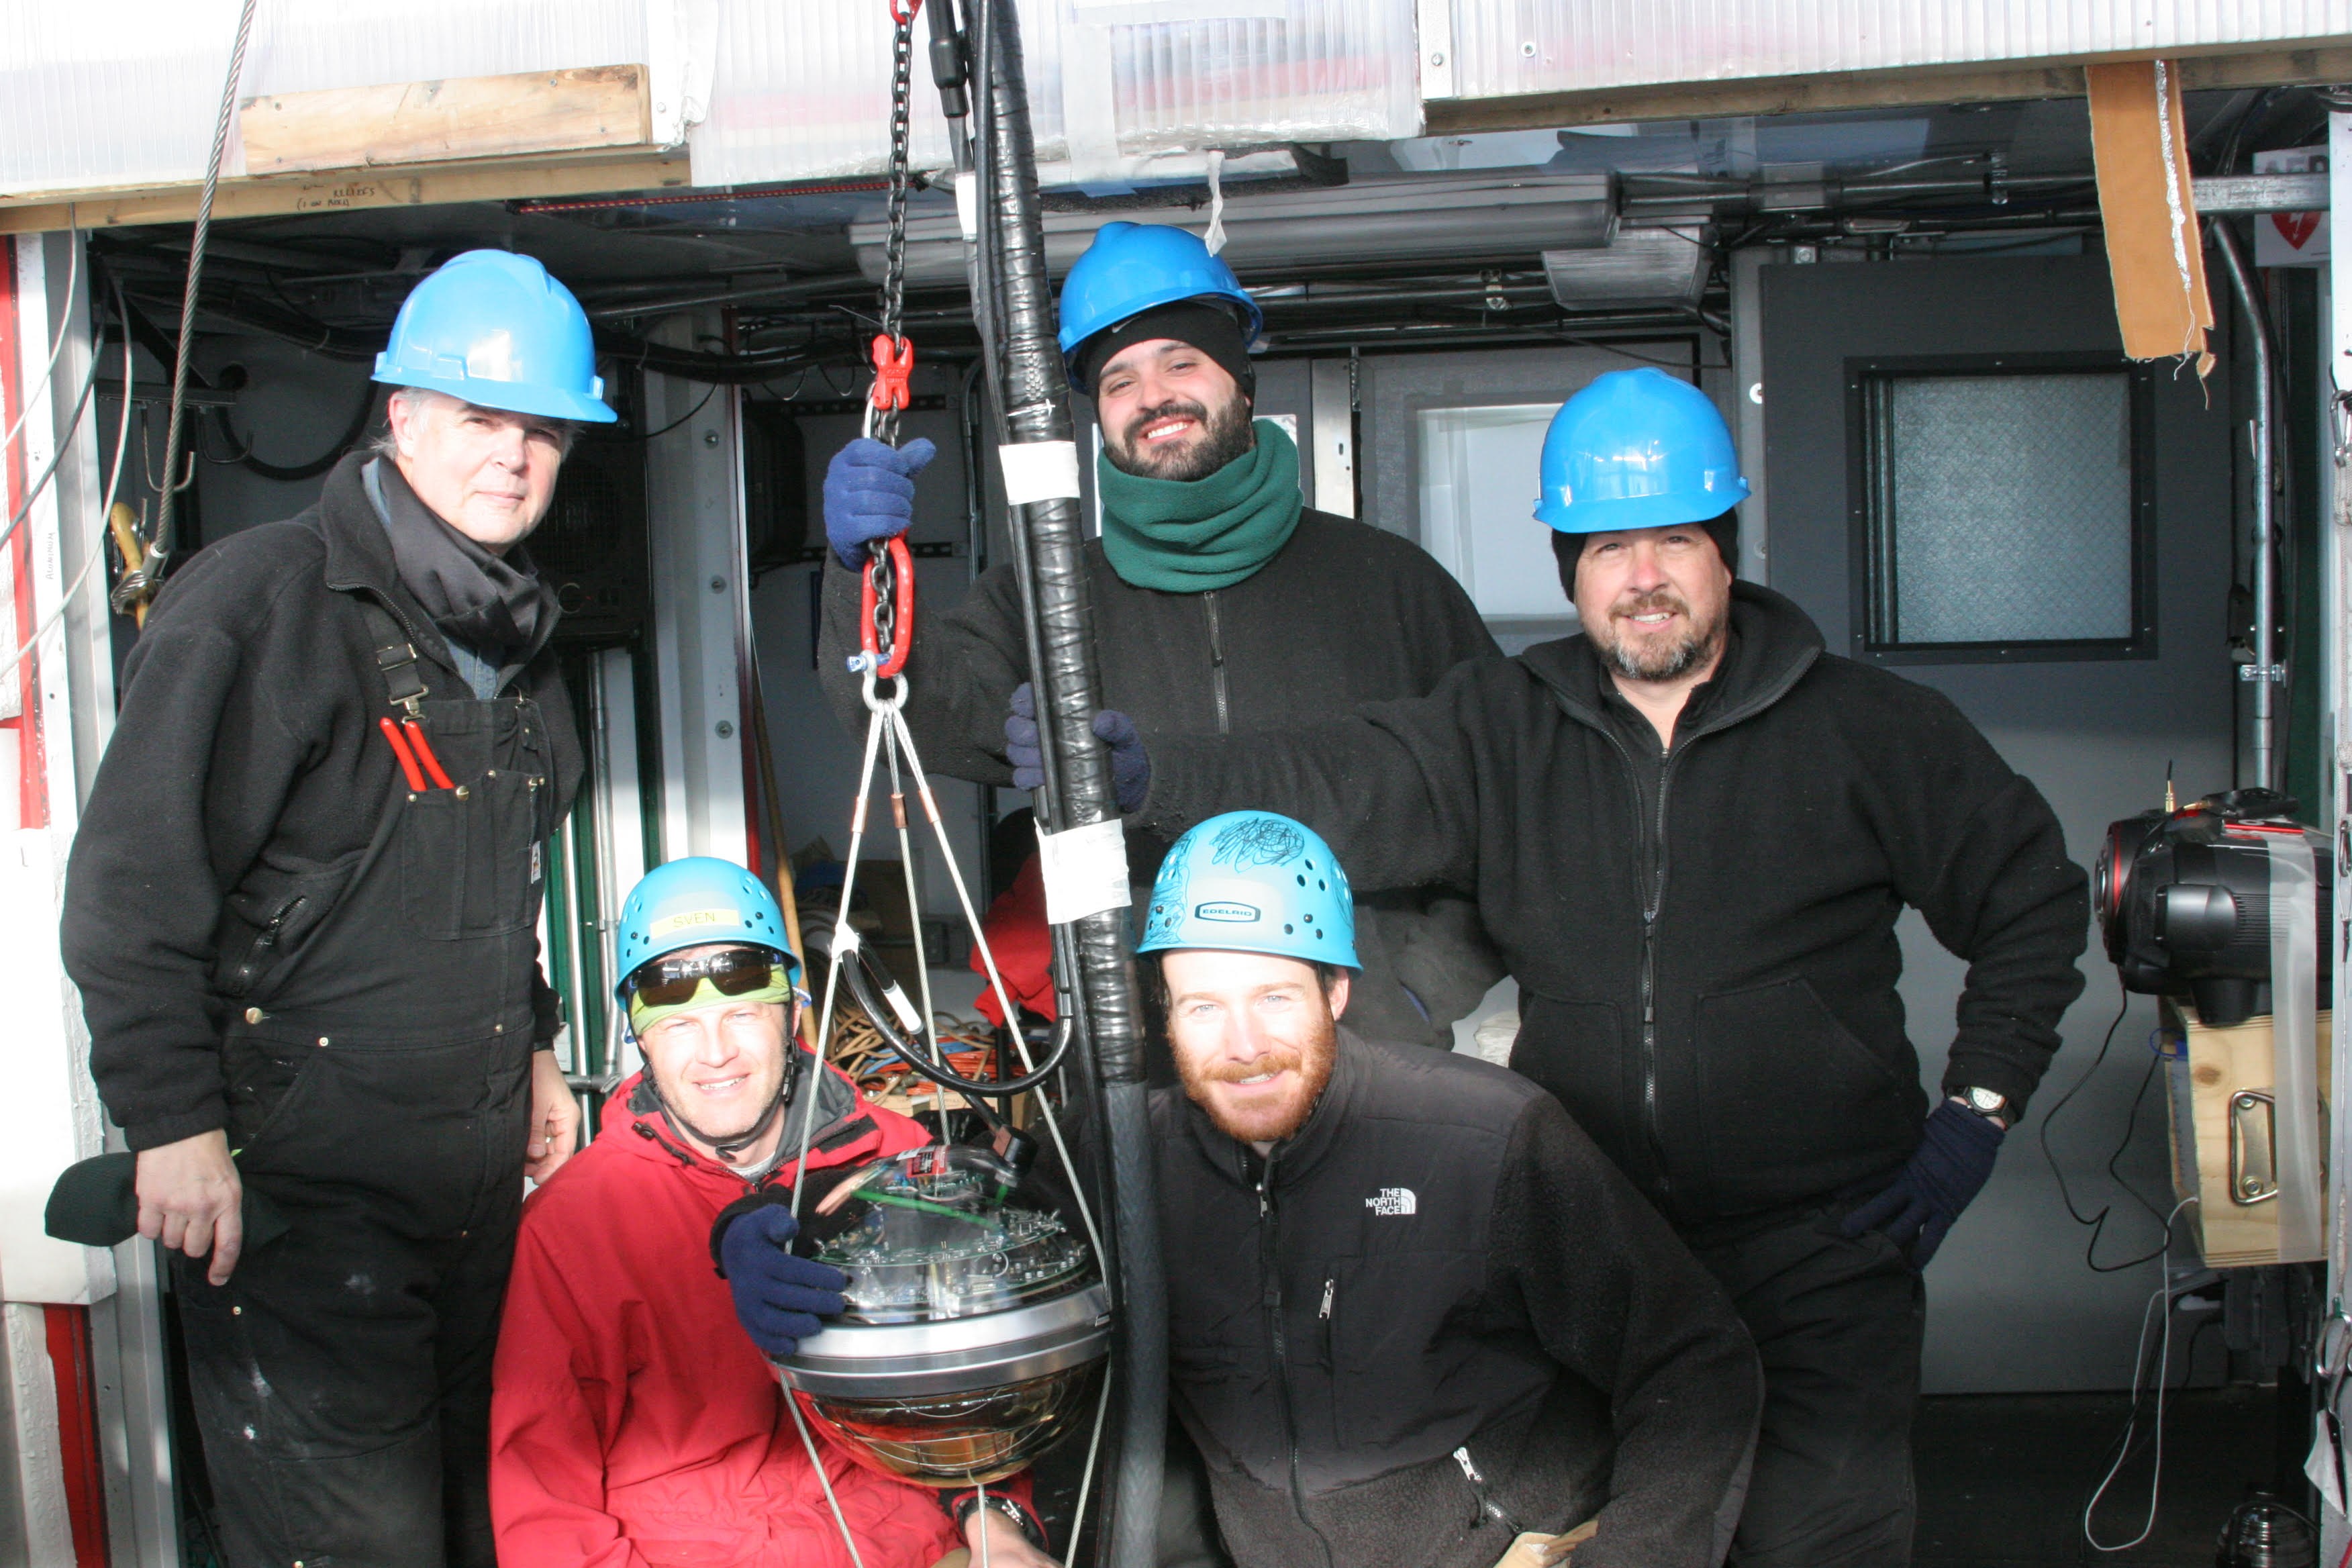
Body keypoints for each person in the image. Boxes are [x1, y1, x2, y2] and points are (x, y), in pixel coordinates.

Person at [1028, 369, 2092, 1567]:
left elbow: (2032, 903)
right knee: (1618, 1538)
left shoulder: (1867, 730)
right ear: (1567, 569)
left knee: (1811, 1539)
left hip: (1819, 1244)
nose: (1641, 577)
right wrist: (1150, 778)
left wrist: (1975, 1115)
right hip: (1590, 1242)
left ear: (1721, 551)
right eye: (1604, 547)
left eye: (1672, 540)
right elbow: (1348, 774)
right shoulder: (1502, 722)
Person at [62, 248, 616, 1565]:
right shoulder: (262, 606)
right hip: (301, 1209)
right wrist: (173, 1124)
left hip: (473, 1199)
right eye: (482, 419)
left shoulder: (521, 644)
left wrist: (537, 1043)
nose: (514, 457)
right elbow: (127, 892)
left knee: (483, 1530)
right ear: (403, 417)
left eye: (545, 430)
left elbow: (496, 885)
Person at [817, 220, 1504, 1051]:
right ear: (1098, 416)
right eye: (1119, 381)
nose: (1153, 397)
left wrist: (1420, 992)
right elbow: (901, 718)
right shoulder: (1044, 602)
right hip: (1136, 1061)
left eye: (1182, 362)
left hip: (1368, 1050)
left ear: (1241, 382)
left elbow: (1501, 798)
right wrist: (863, 571)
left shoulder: (1393, 584)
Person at [1136, 810, 1759, 1568]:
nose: (1242, 1046)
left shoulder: (1482, 1136)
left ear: (1336, 990)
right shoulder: (1133, 1164)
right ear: (1166, 1009)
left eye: (1274, 997)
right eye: (1203, 1005)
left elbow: (1694, 1356)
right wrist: (989, 1517)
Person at [491, 857, 1057, 1567]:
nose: (716, 1052)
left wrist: (998, 1523)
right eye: (681, 1024)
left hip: (907, 1541)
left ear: (792, 1014)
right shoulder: (573, 1225)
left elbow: (974, 1400)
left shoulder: (900, 1157)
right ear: (641, 1036)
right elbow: (544, 1499)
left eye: (741, 1012)